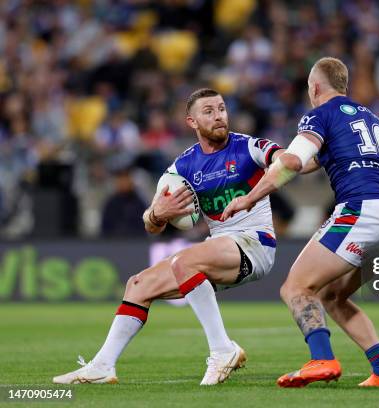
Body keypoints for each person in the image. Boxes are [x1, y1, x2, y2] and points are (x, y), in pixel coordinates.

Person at [53, 88, 284, 385]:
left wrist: (278, 167)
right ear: (192, 121)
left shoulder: (248, 148)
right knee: (137, 285)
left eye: (222, 109)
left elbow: (284, 160)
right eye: (209, 112)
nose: (219, 116)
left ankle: (222, 350)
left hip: (255, 243)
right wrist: (157, 213)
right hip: (219, 247)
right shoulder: (184, 166)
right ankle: (102, 366)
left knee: (184, 261)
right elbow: (152, 225)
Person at [222, 57, 379, 388]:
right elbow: (303, 161)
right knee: (333, 296)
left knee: (296, 287)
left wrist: (248, 198)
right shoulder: (371, 118)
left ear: (315, 87)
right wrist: (270, 157)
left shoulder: (319, 114)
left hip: (362, 209)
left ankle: (321, 359)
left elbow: (293, 162)